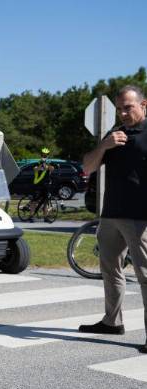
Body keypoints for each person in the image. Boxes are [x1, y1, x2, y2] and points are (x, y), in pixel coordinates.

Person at [79, 85, 147, 352]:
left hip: (140, 217)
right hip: (111, 215)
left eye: (128, 107)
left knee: (145, 276)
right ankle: (112, 321)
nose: (122, 112)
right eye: (119, 108)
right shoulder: (115, 134)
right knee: (110, 269)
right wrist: (104, 145)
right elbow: (87, 166)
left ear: (144, 105)